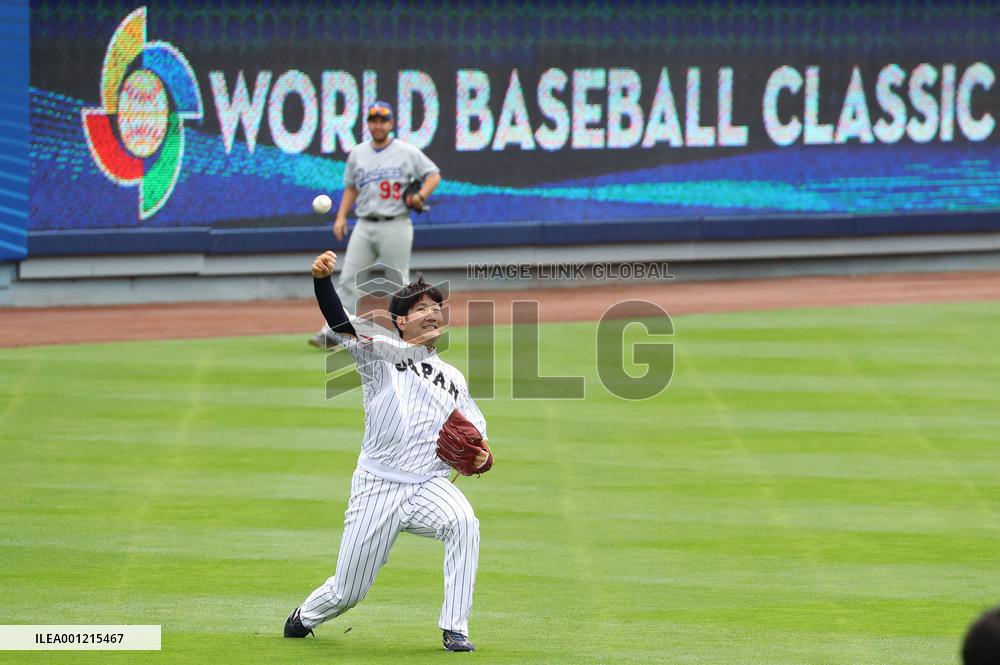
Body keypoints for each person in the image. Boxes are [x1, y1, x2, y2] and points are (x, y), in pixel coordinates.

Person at [286, 250, 491, 652]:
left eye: (437, 307)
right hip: (378, 485)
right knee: (348, 590)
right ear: (400, 320)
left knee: (464, 522)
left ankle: (455, 628)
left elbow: (476, 437)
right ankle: (303, 618)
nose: (432, 314)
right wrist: (322, 282)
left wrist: (483, 456)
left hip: (427, 485)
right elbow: (340, 322)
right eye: (421, 308)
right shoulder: (378, 353)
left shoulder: (453, 378)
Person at [309, 101, 442, 349]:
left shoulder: (406, 151)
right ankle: (333, 332)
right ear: (368, 124)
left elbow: (433, 174)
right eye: (373, 120)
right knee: (348, 278)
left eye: (383, 120)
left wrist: (421, 197)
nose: (378, 124)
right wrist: (340, 217)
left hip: (396, 224)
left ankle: (403, 335)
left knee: (397, 283)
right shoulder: (358, 153)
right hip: (364, 224)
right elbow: (351, 187)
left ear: (390, 124)